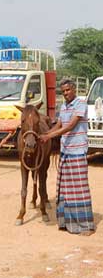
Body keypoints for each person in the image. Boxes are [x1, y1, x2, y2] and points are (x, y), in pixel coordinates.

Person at [40, 79, 95, 236]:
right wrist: (46, 134)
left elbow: (69, 126)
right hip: (65, 151)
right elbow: (58, 124)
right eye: (63, 91)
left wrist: (48, 136)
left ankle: (86, 226)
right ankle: (68, 223)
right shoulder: (63, 106)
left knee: (79, 189)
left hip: (77, 152)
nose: (65, 94)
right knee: (65, 189)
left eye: (67, 90)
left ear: (74, 89)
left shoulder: (80, 105)